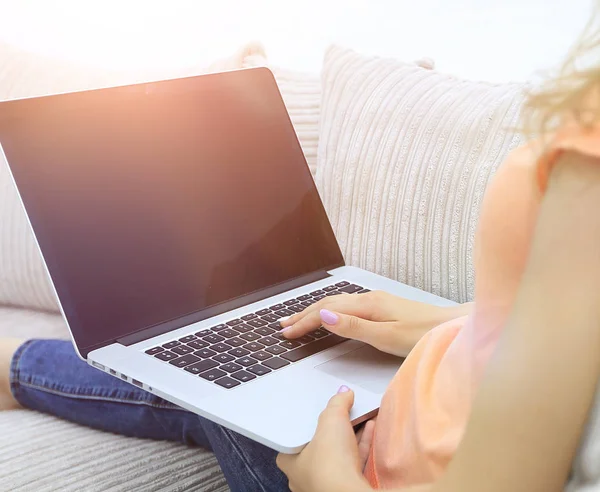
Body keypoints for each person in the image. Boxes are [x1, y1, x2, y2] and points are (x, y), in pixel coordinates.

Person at [1, 5, 600, 490]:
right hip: (410, 405)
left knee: (200, 385)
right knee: (216, 373)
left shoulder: (585, 174)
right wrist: (449, 321)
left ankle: (18, 368)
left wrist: (330, 484)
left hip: (364, 469)